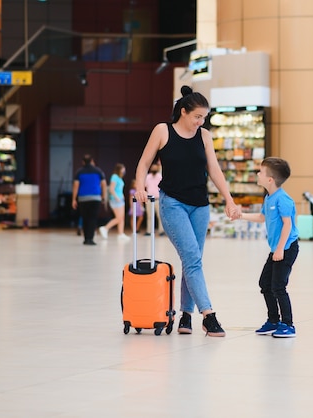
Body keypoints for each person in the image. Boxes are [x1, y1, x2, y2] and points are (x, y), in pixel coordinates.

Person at [134, 85, 240, 337]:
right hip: (173, 204)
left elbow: (214, 170)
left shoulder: (204, 136)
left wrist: (229, 199)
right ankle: (209, 315)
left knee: (192, 261)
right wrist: (139, 188)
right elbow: (144, 162)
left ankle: (185, 316)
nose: (201, 122)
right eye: (197, 117)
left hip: (200, 206)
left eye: (204, 118)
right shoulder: (163, 131)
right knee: (192, 258)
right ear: (183, 112)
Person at [238, 157, 300, 338]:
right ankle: (273, 321)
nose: (258, 174)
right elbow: (261, 217)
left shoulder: (283, 199)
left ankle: (288, 325)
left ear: (270, 179)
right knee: (265, 284)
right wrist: (240, 215)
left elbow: (287, 225)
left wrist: (280, 249)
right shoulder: (269, 197)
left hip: (287, 248)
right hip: (277, 249)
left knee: (278, 286)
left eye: (261, 172)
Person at [72, 155, 107, 245]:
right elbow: (103, 184)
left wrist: (74, 199)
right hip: (95, 198)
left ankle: (86, 238)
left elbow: (76, 186)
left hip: (83, 199)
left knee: (85, 218)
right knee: (93, 218)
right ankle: (90, 239)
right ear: (92, 161)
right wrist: (103, 196)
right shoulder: (98, 171)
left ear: (83, 162)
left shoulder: (79, 172)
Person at [99, 163, 130, 242]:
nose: (124, 171)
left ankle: (121, 234)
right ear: (119, 169)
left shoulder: (120, 178)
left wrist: (122, 195)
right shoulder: (114, 177)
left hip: (120, 199)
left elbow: (119, 189)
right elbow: (111, 189)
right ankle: (105, 228)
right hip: (115, 200)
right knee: (118, 218)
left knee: (121, 218)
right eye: (123, 169)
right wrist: (117, 197)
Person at [144, 163, 164, 235]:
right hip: (149, 199)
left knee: (160, 216)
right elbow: (145, 186)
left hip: (158, 199)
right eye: (153, 168)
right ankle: (149, 231)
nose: (154, 169)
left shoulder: (160, 176)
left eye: (155, 168)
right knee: (149, 216)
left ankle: (161, 231)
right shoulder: (148, 177)